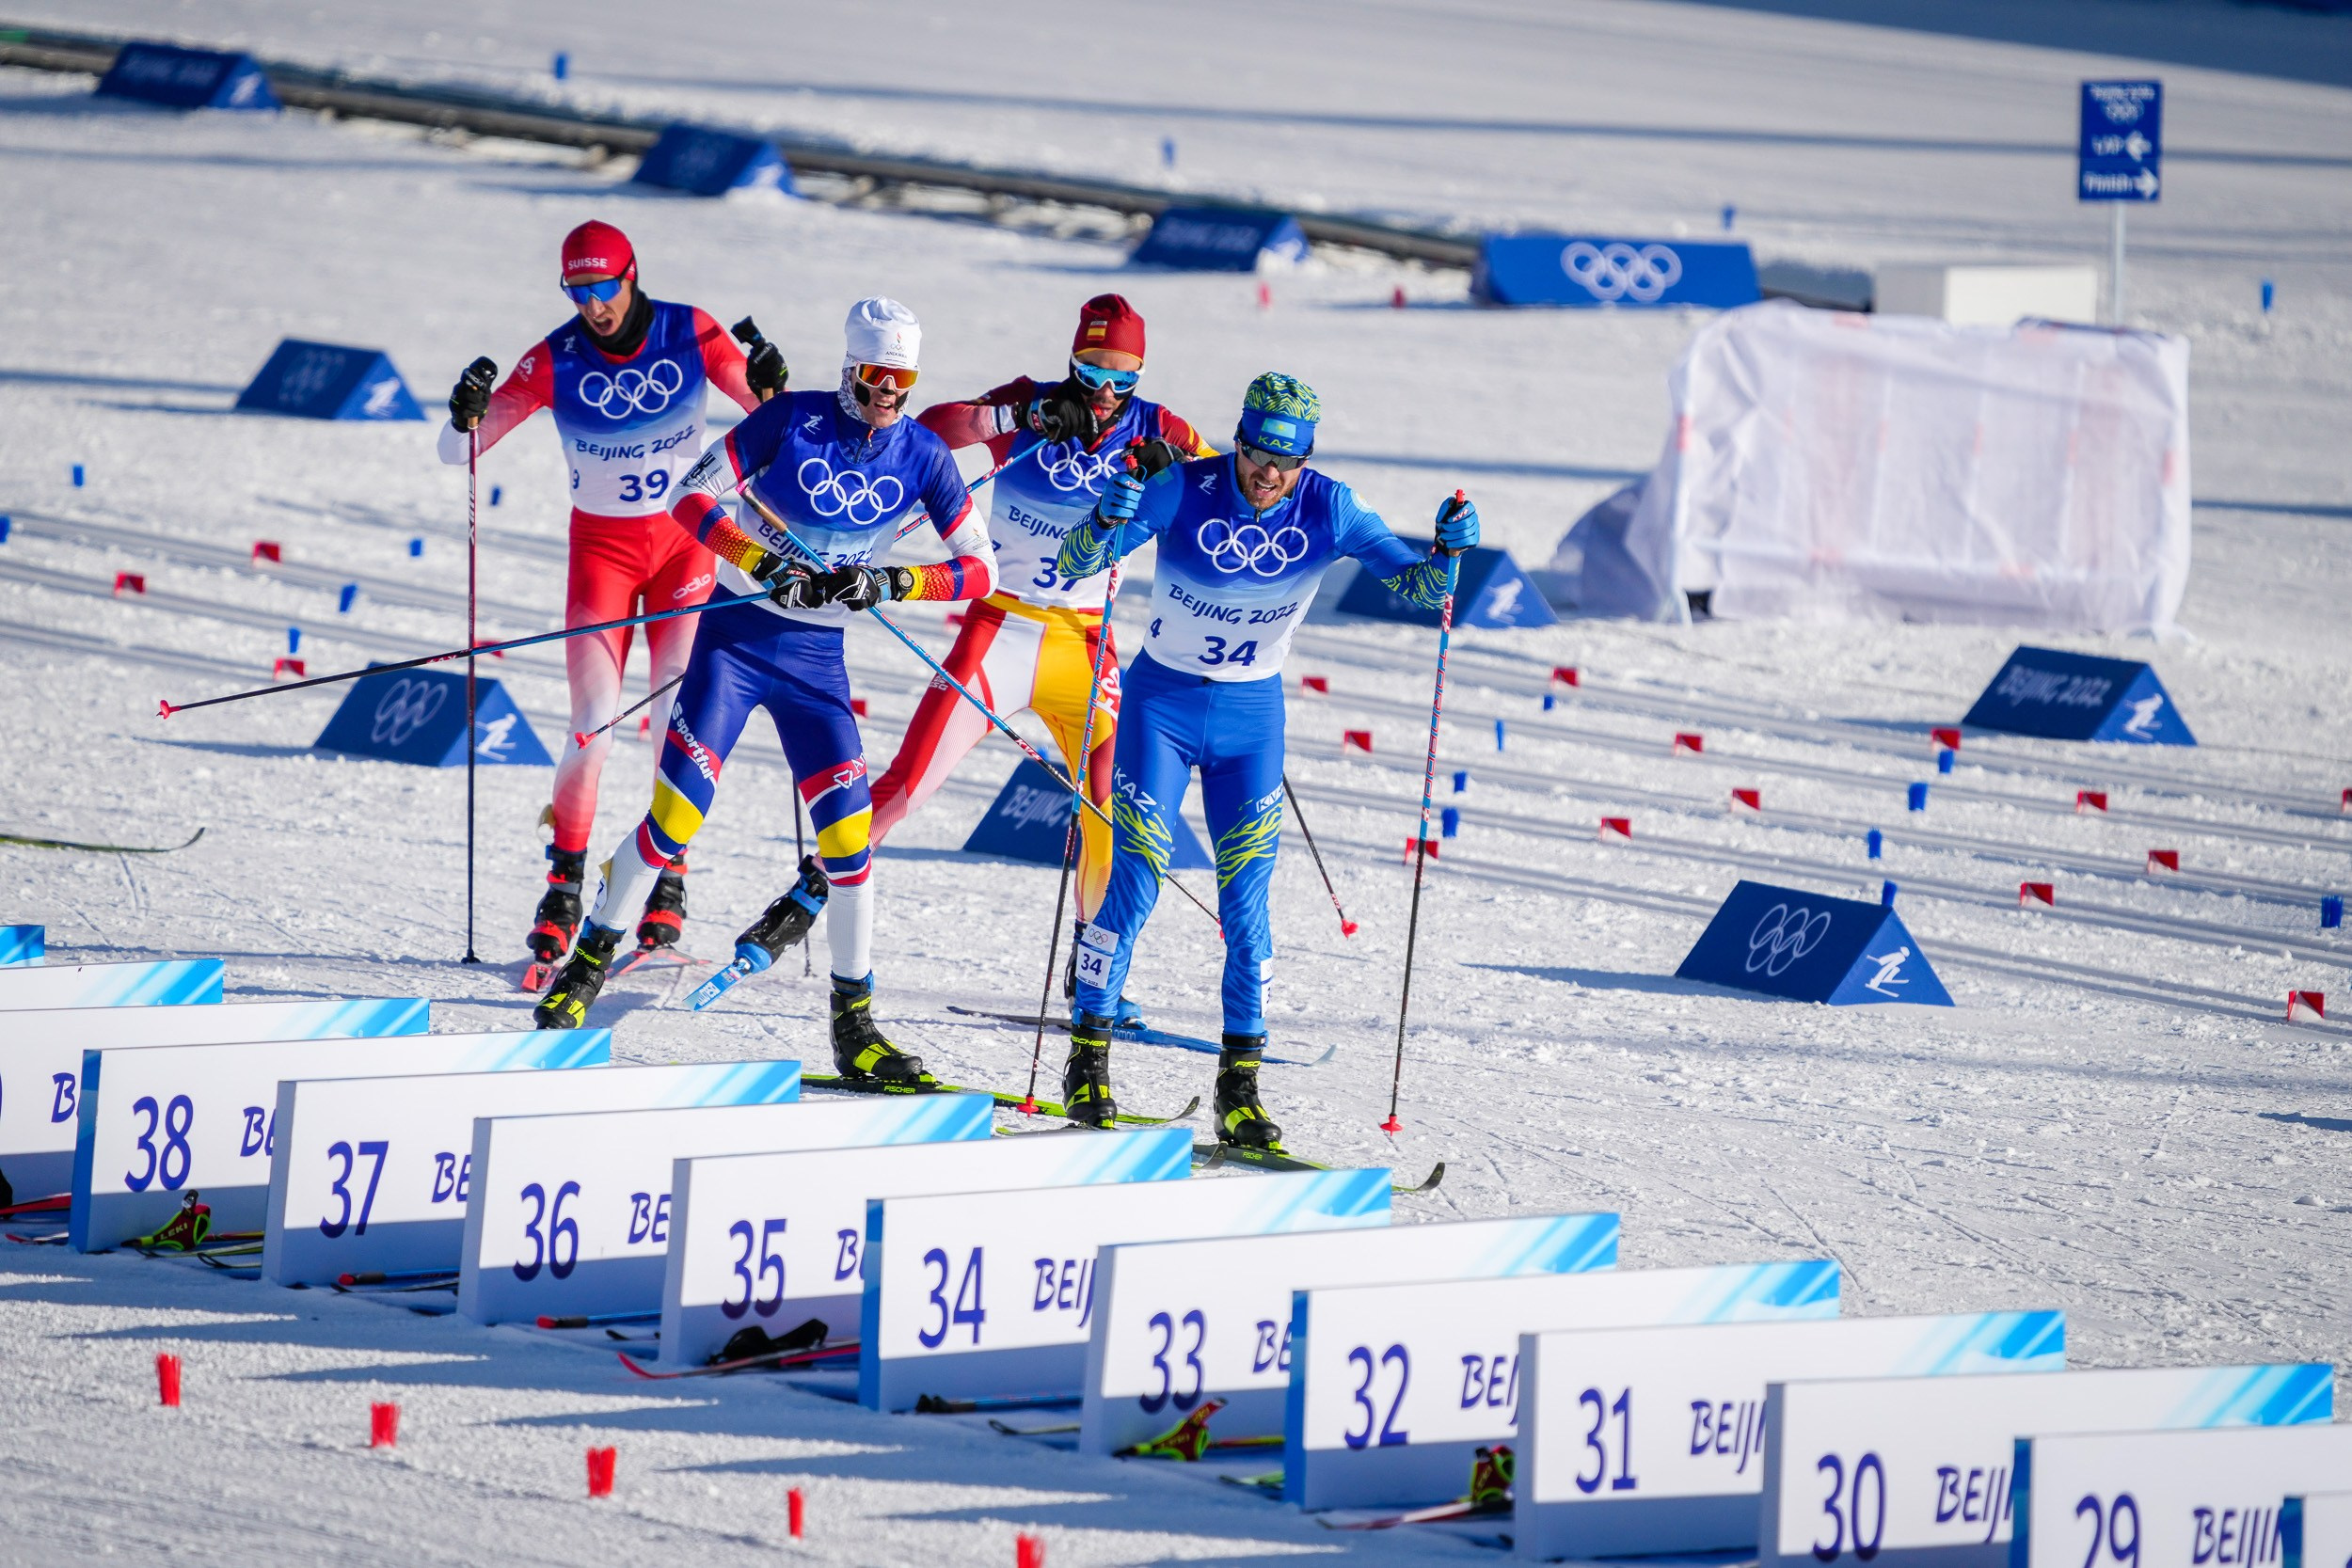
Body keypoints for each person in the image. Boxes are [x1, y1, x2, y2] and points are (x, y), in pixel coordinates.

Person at [535, 299, 997, 1089]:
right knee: (675, 816)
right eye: (877, 377)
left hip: (817, 664)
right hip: (737, 641)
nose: (889, 395)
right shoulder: (789, 421)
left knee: (850, 847)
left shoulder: (922, 455)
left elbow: (979, 568)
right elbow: (691, 498)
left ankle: (854, 1024)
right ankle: (592, 955)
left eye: (905, 381)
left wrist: (891, 580)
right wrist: (761, 557)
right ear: (851, 369)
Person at [1047, 372, 1478, 1147]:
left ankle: (1238, 1086)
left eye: (1286, 460)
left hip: (1252, 719)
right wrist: (1104, 513)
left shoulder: (1331, 505)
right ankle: (1087, 1055)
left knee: (1248, 907)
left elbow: (1421, 589)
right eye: (1256, 454)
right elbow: (1079, 563)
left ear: (1306, 458)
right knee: (1137, 882)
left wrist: (1448, 551)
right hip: (1162, 708)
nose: (1268, 474)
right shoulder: (1183, 486)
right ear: (1238, 441)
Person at [441, 220, 787, 978]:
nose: (595, 305)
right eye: (579, 291)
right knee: (592, 724)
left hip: (685, 548)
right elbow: (457, 448)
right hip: (601, 555)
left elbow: (774, 419)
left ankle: (667, 873)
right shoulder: (554, 357)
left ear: (633, 274)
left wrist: (769, 378)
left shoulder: (690, 331)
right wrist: (467, 414)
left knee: (675, 720)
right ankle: (564, 883)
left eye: (605, 287)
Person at [869, 294, 1215, 1023]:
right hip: (1000, 628)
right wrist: (1016, 420)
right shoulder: (1031, 404)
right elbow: (932, 432)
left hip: (1085, 643)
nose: (1103, 392)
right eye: (1090, 370)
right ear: (1071, 359)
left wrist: (1176, 466)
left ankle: (1096, 975)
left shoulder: (1161, 426)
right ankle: (811, 890)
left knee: (1109, 816)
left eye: (1121, 377)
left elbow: (1228, 484)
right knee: (908, 784)